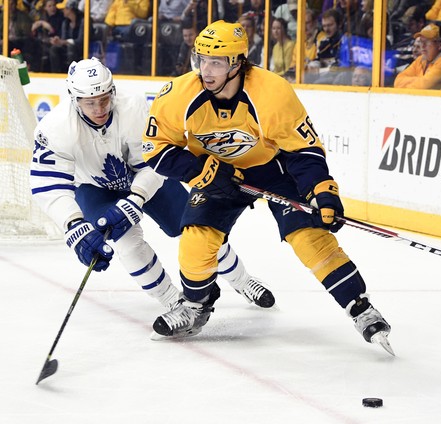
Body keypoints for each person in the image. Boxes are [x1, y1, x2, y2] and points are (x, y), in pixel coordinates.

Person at [142, 20, 394, 355]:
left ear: (238, 64)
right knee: (195, 239)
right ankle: (195, 305)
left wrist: (322, 189)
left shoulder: (271, 92)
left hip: (273, 170)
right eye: (201, 59)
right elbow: (155, 148)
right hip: (217, 172)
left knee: (310, 238)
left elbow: (302, 150)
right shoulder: (178, 95)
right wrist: (201, 171)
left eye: (216, 62)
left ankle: (360, 308)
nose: (206, 70)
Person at [30, 58, 276, 333]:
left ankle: (242, 280)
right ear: (74, 99)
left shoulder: (133, 106)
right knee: (126, 243)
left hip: (145, 178)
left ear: (112, 91)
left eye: (103, 99)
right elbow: (48, 184)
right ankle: (174, 303)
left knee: (197, 227)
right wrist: (74, 226)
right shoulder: (54, 127)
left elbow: (153, 161)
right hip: (95, 187)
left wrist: (136, 198)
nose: (99, 108)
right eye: (90, 102)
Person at [393, 23, 441, 89]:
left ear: (440, 45)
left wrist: (409, 82)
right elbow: (397, 81)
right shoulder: (420, 59)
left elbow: (423, 86)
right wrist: (420, 80)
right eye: (421, 41)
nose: (423, 46)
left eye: (427, 42)